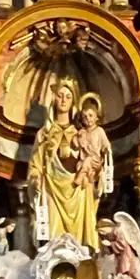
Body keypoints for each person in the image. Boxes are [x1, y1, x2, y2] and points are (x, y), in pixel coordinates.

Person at [27, 79, 103, 250]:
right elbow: (35, 164)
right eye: (60, 96)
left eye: (68, 97)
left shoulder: (80, 132)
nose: (63, 100)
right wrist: (35, 179)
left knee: (78, 244)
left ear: (73, 102)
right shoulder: (44, 133)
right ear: (54, 99)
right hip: (52, 189)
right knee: (55, 242)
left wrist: (96, 170)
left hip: (79, 191)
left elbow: (94, 157)